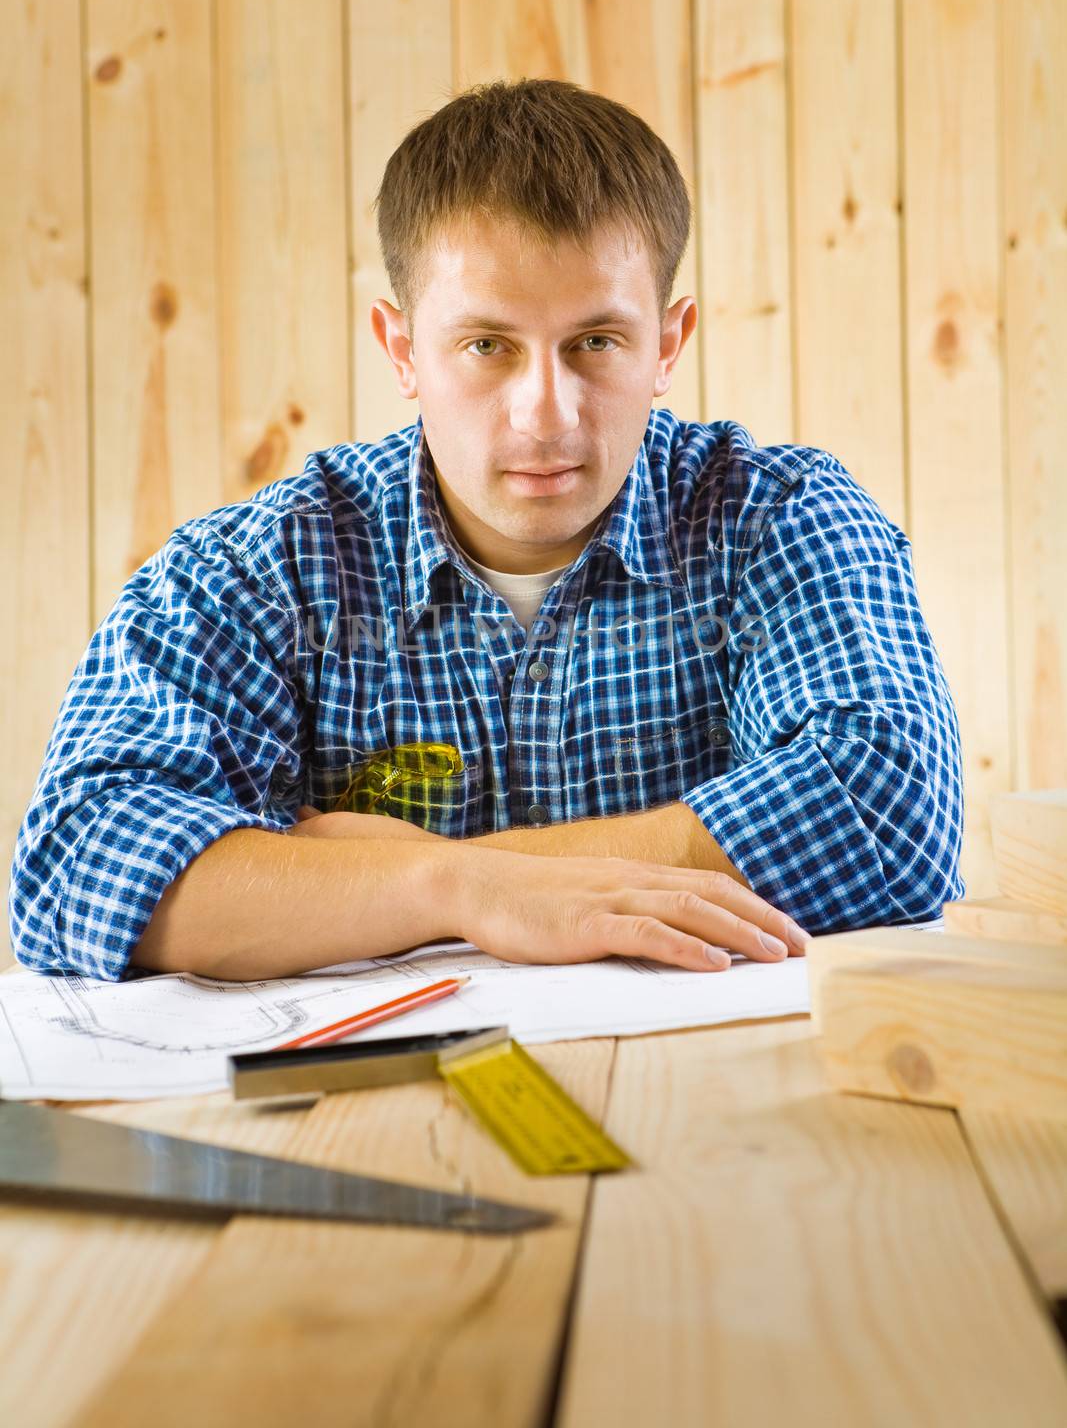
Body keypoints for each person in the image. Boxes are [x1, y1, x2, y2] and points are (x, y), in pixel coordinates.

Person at [9, 78, 965, 983]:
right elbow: (77, 864)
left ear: (667, 345)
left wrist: (380, 878)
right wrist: (458, 888)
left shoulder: (779, 516)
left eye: (596, 342)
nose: (544, 416)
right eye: (485, 346)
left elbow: (889, 810)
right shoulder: (253, 571)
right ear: (402, 349)